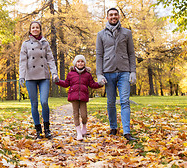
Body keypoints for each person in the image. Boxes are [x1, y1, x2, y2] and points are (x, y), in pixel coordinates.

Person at [96, 7, 137, 141]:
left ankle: (127, 132)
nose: (113, 17)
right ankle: (113, 127)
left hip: (124, 72)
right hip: (108, 72)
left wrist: (133, 71)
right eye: (111, 15)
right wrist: (99, 74)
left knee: (125, 101)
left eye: (115, 14)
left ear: (119, 17)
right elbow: (99, 55)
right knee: (110, 102)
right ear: (107, 17)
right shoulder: (101, 35)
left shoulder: (127, 33)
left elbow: (131, 53)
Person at [19, 21, 59, 139]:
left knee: (44, 102)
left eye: (37, 27)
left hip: (44, 76)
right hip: (30, 77)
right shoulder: (25, 44)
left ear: (40, 29)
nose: (35, 29)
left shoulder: (45, 43)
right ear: (30, 30)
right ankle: (38, 130)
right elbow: (22, 61)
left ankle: (47, 129)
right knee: (34, 104)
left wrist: (54, 73)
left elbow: (50, 59)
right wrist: (22, 76)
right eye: (33, 27)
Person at [55, 55, 104, 141]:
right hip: (74, 97)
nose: (80, 63)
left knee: (84, 114)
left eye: (82, 61)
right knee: (76, 114)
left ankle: (84, 126)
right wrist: (58, 81)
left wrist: (100, 84)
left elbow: (92, 84)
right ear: (75, 63)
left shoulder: (87, 74)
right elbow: (66, 84)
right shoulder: (71, 74)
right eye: (78, 61)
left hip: (83, 97)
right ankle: (78, 132)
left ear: (84, 63)